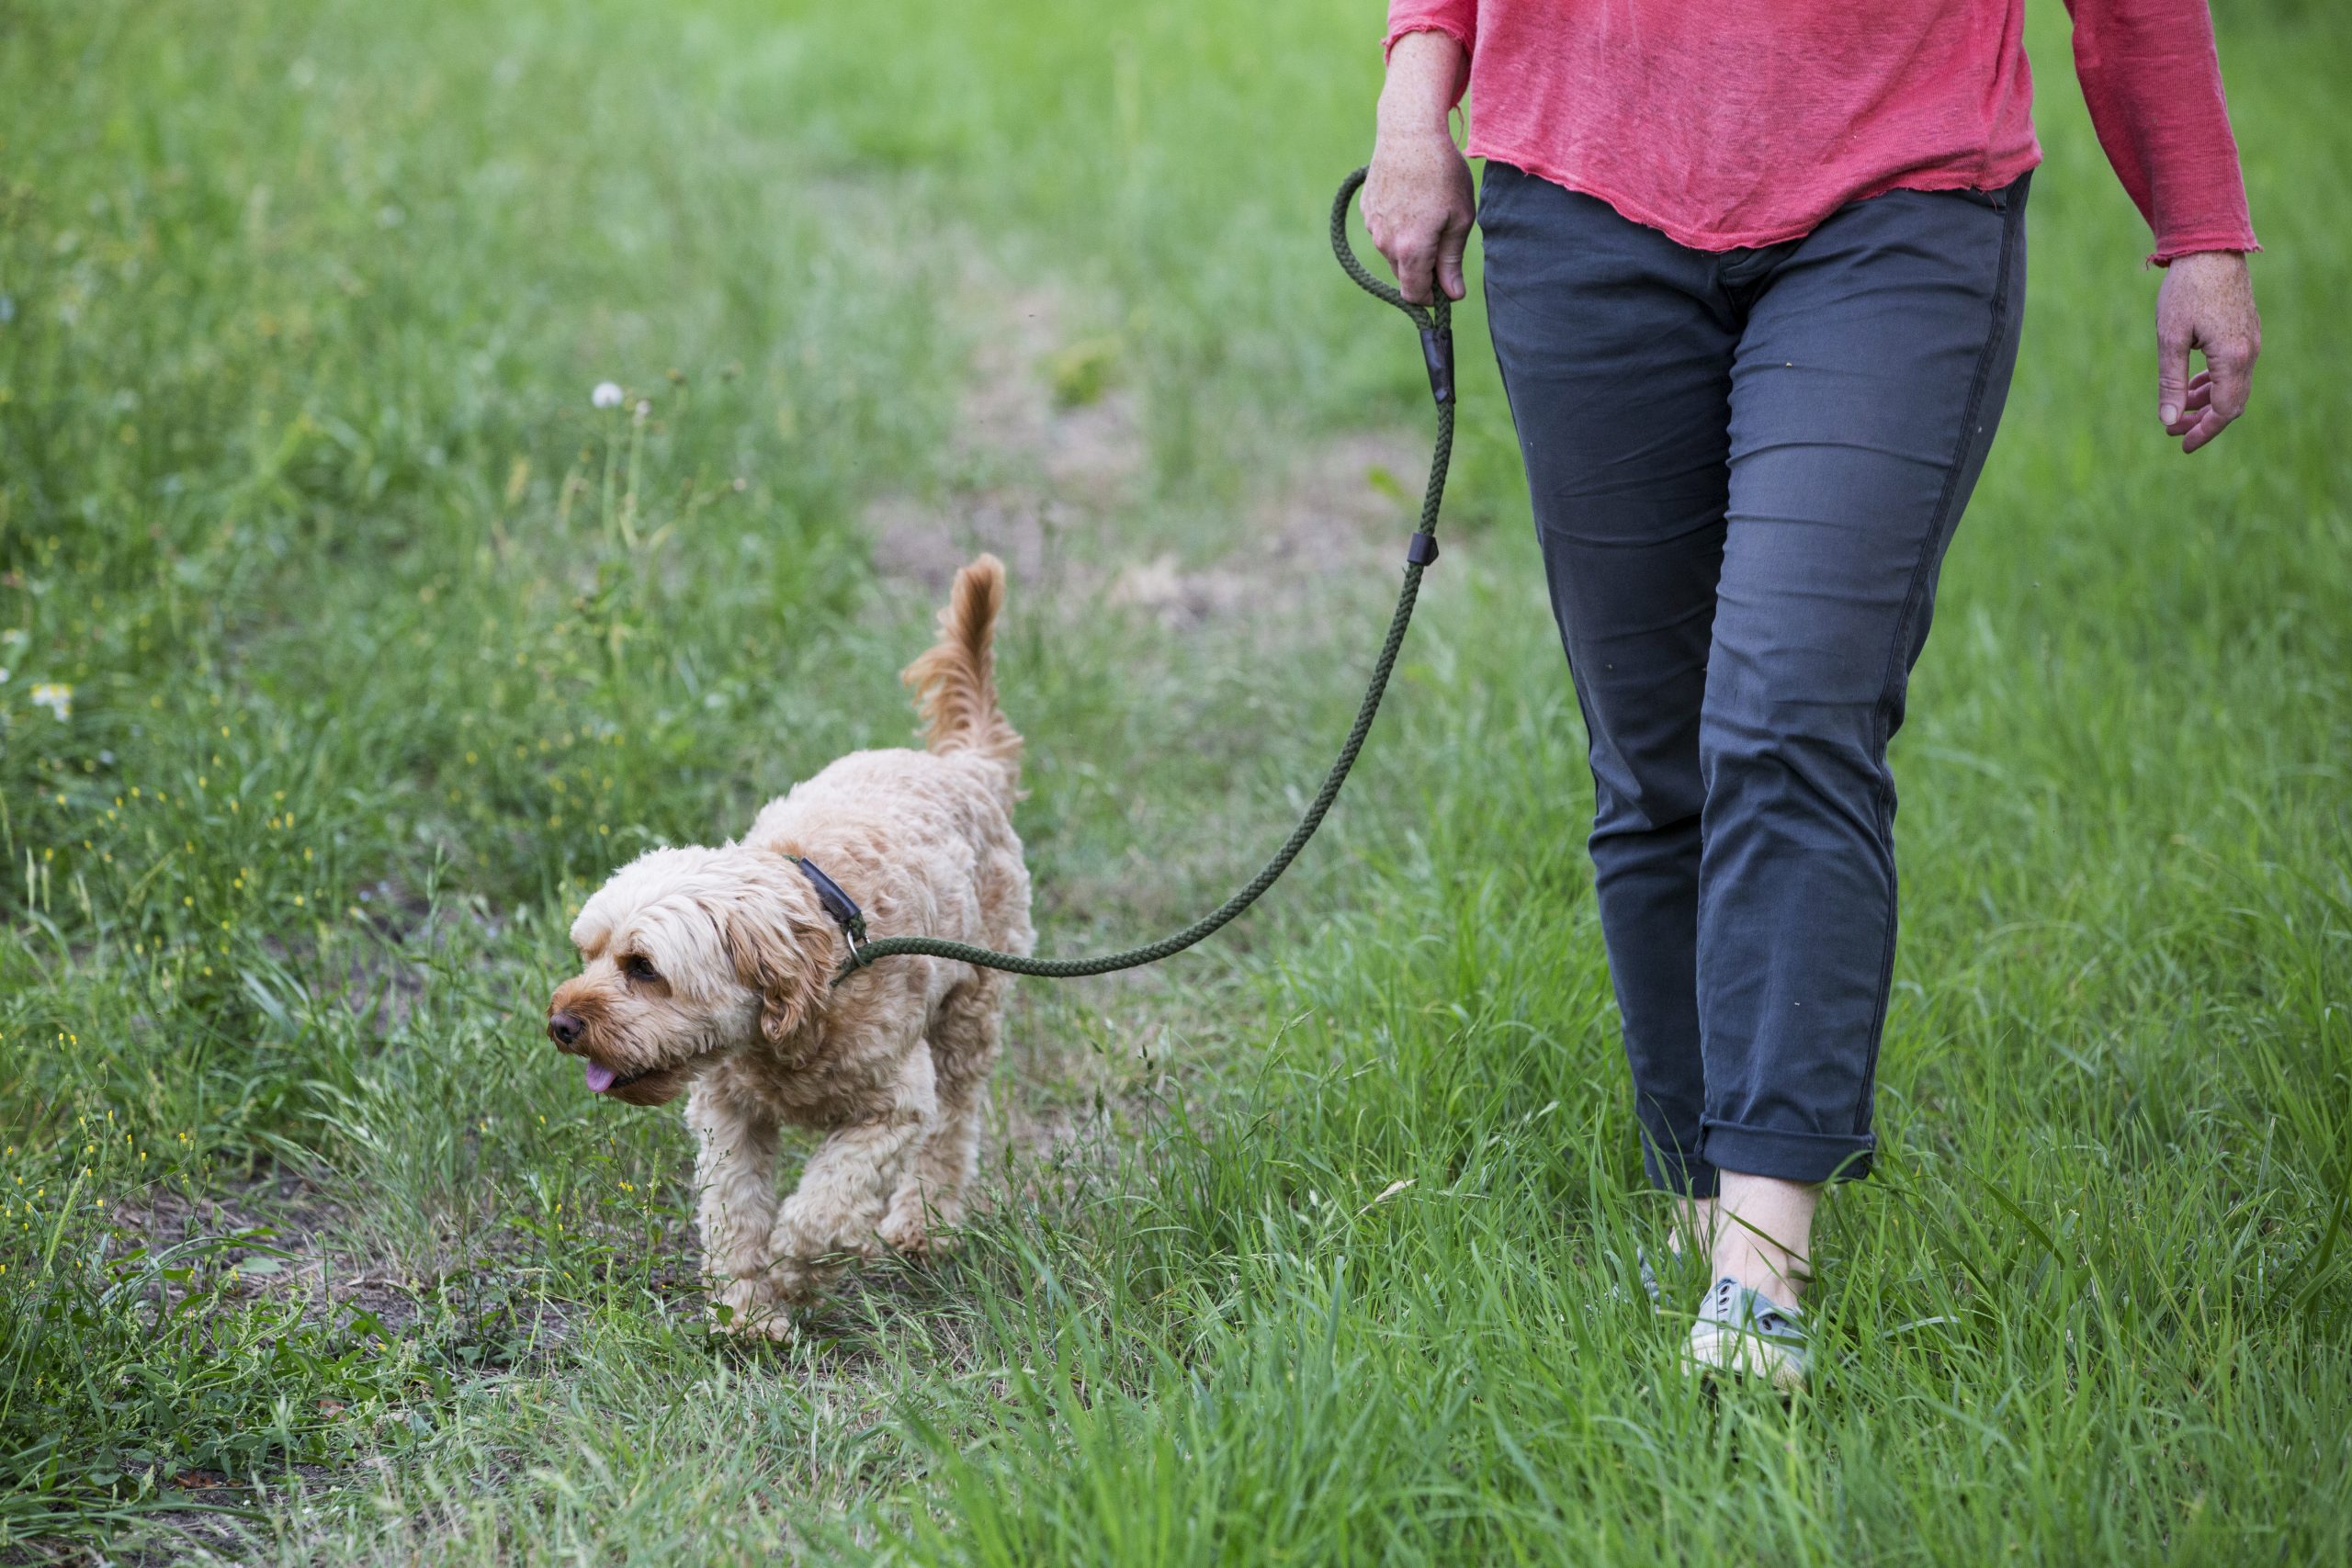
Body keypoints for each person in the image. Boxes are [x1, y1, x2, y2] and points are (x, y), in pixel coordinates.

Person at [1365, 0, 2259, 1388]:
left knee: (1790, 711)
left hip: (1897, 204)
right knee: (1654, 753)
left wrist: (2199, 231)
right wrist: (1413, 101)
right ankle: (1694, 1195)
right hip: (1584, 195)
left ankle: (1763, 1274)